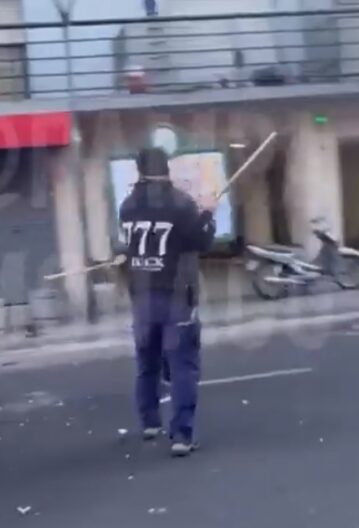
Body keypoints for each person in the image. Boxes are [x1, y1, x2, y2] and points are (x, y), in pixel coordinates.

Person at [116, 147, 217, 457]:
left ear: (139, 171)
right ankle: (181, 436)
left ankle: (149, 422)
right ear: (167, 169)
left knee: (147, 361)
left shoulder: (128, 206)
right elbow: (199, 242)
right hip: (176, 296)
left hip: (142, 296)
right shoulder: (180, 204)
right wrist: (208, 213)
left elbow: (132, 246)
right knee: (182, 364)